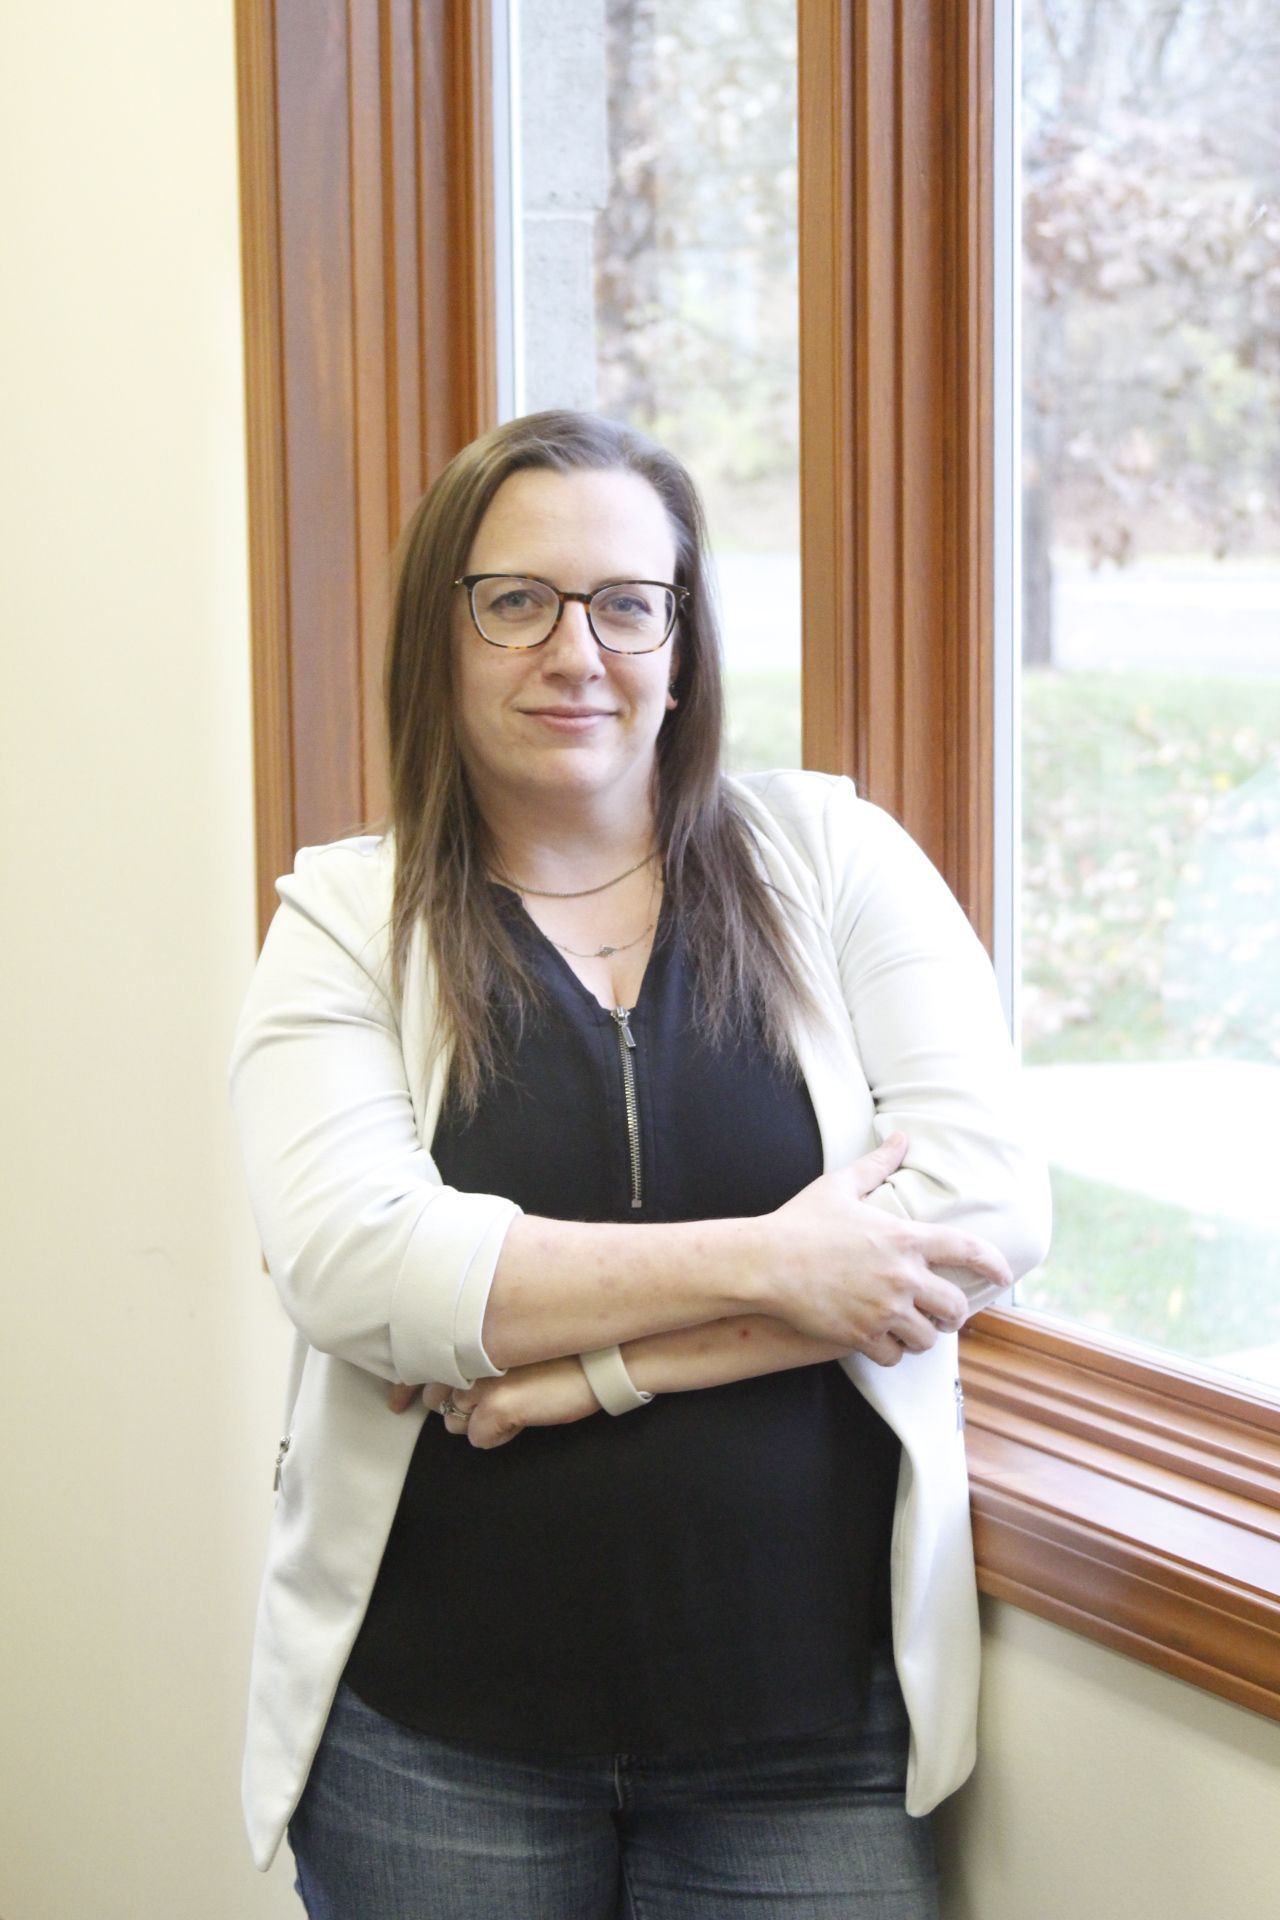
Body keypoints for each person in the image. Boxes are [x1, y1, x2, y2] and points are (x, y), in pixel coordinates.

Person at [230, 409, 1051, 1918]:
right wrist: (769, 1261)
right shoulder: (346, 920)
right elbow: (359, 1267)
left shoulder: (832, 858)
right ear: (443, 632)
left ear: (682, 644)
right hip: (438, 1752)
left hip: (807, 1744)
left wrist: (594, 1373)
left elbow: (987, 1205)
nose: (578, 650)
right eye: (517, 600)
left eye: (628, 604)